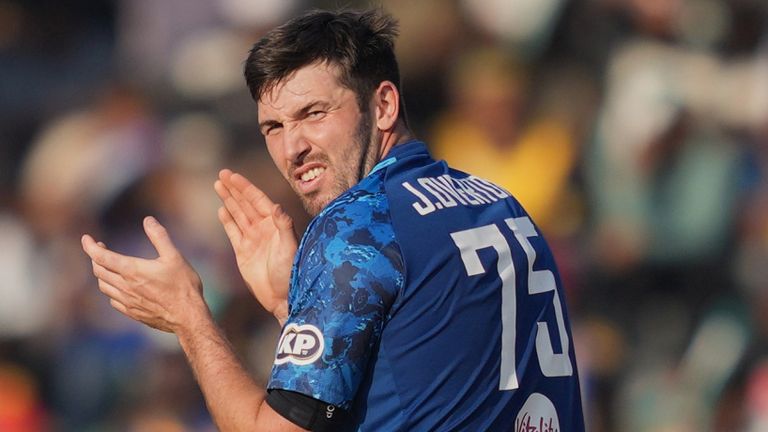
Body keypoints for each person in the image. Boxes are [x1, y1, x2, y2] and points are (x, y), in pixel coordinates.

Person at [81, 8, 584, 431]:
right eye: (273, 127)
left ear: (383, 105)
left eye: (314, 114)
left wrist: (189, 317)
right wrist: (291, 305)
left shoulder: (359, 225)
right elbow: (425, 371)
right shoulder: (498, 202)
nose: (292, 148)